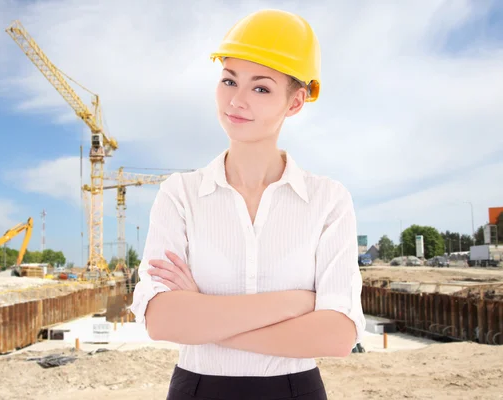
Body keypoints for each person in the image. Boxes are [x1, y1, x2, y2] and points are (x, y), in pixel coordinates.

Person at [129, 9, 365, 400]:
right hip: (197, 389)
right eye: (228, 80)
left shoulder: (328, 200)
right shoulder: (180, 194)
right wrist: (296, 304)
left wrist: (205, 316)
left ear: (295, 102)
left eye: (261, 88)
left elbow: (337, 335)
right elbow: (162, 320)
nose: (236, 100)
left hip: (296, 390)